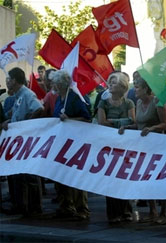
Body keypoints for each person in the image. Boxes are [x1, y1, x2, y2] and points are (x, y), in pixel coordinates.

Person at [119, 73, 166, 225]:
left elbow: (165, 124)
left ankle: (164, 213)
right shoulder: (138, 104)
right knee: (145, 178)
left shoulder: (157, 102)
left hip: (157, 146)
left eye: (137, 87)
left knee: (159, 180)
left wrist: (153, 128)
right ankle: (152, 211)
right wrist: (127, 127)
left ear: (146, 89)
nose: (135, 89)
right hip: (143, 146)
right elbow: (139, 124)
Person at [1, 67, 44, 217]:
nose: (8, 82)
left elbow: (39, 109)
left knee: (29, 175)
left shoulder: (27, 94)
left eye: (9, 79)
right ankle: (21, 205)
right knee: (19, 175)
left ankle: (34, 207)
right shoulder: (19, 96)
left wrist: (27, 126)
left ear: (14, 80)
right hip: (19, 140)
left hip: (26, 140)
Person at [51, 70, 91, 220]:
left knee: (76, 175)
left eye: (54, 82)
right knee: (61, 174)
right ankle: (66, 206)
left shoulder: (74, 97)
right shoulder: (59, 99)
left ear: (60, 84)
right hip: (62, 142)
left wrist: (70, 119)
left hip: (75, 143)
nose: (52, 85)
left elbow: (87, 119)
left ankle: (82, 208)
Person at [97, 72, 135, 224]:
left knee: (123, 177)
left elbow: (133, 122)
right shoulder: (103, 102)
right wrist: (121, 123)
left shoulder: (129, 103)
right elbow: (101, 122)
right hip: (108, 144)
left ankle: (126, 210)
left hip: (124, 145)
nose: (110, 85)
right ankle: (113, 213)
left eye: (113, 83)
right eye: (110, 82)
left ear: (122, 86)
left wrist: (113, 121)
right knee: (110, 178)